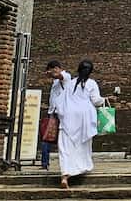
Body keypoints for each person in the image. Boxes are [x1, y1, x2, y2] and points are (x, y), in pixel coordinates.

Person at [55, 60, 109, 189]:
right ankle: (80, 167)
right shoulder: (91, 83)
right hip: (85, 118)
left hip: (68, 117)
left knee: (66, 147)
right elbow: (96, 101)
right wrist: (106, 99)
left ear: (78, 70)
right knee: (82, 146)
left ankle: (65, 175)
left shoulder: (70, 83)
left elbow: (60, 101)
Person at [40, 59, 67, 171]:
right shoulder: (55, 82)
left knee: (63, 140)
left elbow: (60, 76)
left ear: (56, 68)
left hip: (61, 114)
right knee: (46, 138)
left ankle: (66, 164)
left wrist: (52, 73)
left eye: (52, 70)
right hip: (53, 114)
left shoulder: (66, 76)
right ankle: (44, 163)